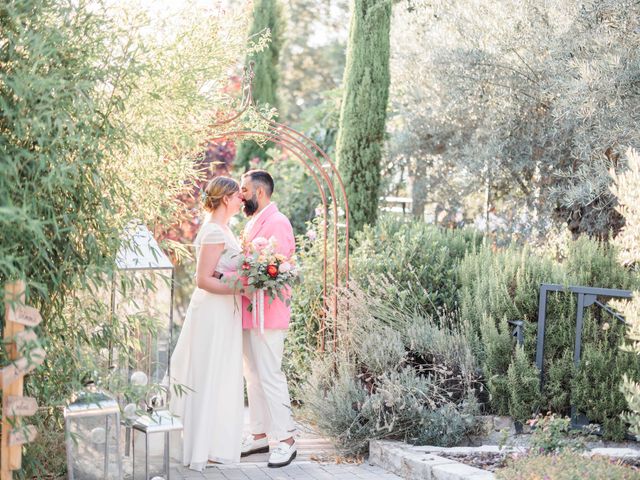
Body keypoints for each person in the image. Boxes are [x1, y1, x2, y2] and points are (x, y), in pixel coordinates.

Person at [167, 176, 245, 471]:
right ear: (226, 198)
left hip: (224, 311)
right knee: (208, 372)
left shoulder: (225, 229)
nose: (242, 200)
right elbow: (203, 280)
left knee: (220, 373)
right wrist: (242, 289)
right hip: (212, 311)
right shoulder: (214, 231)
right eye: (238, 195)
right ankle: (199, 447)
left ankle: (211, 445)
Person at [238, 170, 298, 468]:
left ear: (259, 193)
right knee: (253, 376)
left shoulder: (278, 222)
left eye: (244, 189)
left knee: (271, 375)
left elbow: (278, 266)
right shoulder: (252, 223)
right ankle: (259, 435)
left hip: (269, 314)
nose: (240, 195)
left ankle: (286, 440)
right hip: (249, 312)